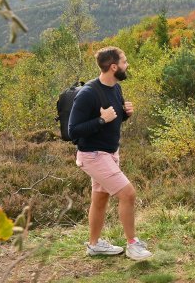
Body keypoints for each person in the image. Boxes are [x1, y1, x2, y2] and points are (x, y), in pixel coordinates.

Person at [68, 46, 152, 261]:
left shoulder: (115, 88)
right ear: (113, 67)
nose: (127, 65)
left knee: (100, 199)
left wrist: (125, 115)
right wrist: (101, 119)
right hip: (93, 155)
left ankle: (94, 245)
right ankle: (133, 245)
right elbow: (73, 131)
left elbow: (112, 120)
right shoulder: (88, 93)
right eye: (124, 62)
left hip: (110, 153)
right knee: (128, 194)